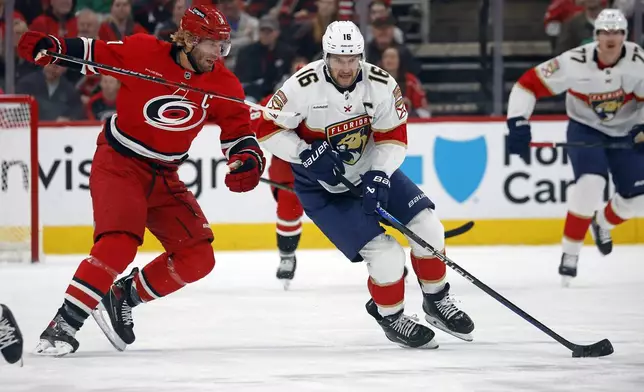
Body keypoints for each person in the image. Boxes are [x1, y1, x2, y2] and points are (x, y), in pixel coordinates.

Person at [17, 4, 266, 356]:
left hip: (164, 176)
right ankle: (63, 325)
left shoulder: (223, 82)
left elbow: (239, 130)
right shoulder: (142, 51)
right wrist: (52, 45)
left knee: (198, 257)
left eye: (223, 46)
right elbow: (94, 54)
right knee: (119, 241)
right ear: (190, 40)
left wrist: (247, 159)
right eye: (214, 45)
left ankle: (123, 295)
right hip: (120, 162)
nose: (219, 54)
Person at [256, 21, 475, 348]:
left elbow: (395, 138)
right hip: (324, 191)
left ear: (361, 55)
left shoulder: (381, 83)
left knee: (429, 228)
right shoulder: (302, 86)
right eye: (338, 59)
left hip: (370, 170)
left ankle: (436, 301)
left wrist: (379, 173)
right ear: (326, 56)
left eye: (352, 58)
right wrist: (304, 153)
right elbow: (266, 130)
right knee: (386, 255)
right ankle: (392, 317)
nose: (346, 67)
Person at [506, 9, 644, 286]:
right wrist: (518, 122)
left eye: (616, 32)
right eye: (605, 32)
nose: (610, 37)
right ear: (595, 36)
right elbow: (526, 85)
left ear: (625, 37)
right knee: (589, 185)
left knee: (637, 199)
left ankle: (602, 223)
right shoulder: (573, 61)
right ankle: (570, 254)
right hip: (586, 128)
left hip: (628, 131)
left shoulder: (639, 61)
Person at [251, 58, 307, 290]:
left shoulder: (329, 97)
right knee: (289, 204)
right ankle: (287, 254)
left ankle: (374, 254)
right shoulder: (279, 99)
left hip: (329, 161)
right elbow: (251, 120)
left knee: (349, 209)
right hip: (288, 164)